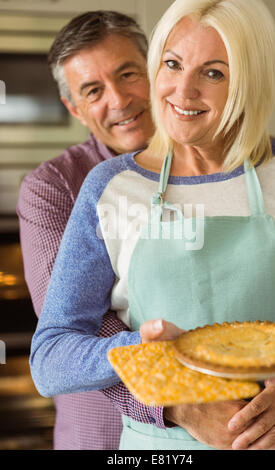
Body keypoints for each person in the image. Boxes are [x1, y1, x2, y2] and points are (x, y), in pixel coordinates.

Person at [29, 0, 275, 450]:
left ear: (249, 81)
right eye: (172, 65)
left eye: (213, 73)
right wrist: (142, 353)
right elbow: (51, 357)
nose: (182, 91)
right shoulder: (111, 187)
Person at [17, 10, 160, 450]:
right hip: (105, 438)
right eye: (93, 90)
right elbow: (76, 329)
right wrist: (173, 405)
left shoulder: (219, 164)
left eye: (128, 74)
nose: (118, 100)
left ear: (156, 70)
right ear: (74, 109)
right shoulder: (53, 187)